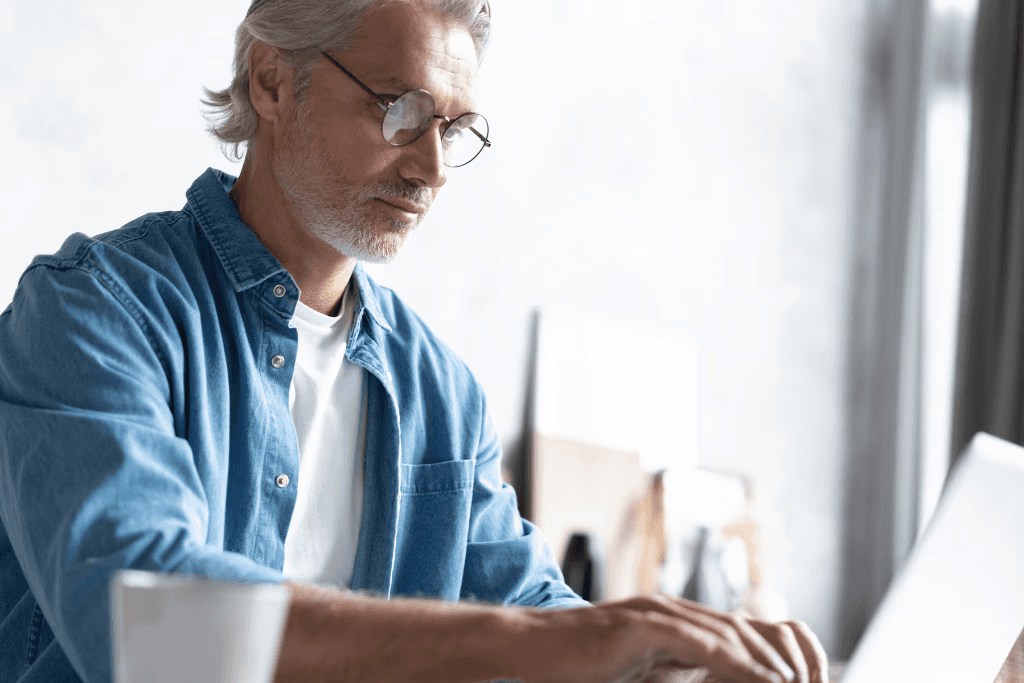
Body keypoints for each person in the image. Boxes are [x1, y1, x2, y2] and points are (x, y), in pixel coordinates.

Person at [0, 1, 829, 682]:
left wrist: (682, 663)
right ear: (271, 81)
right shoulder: (92, 311)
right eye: (399, 110)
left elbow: (543, 614)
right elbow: (142, 623)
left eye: (456, 127)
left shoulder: (439, 388)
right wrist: (537, 644)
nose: (432, 168)